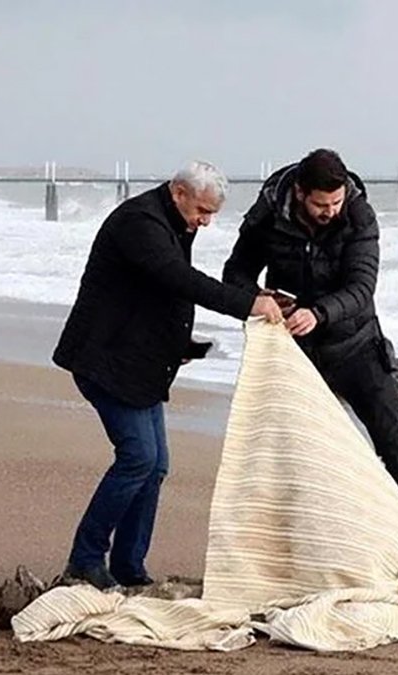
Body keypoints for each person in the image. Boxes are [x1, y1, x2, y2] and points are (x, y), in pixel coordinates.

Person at [52, 160, 283, 589]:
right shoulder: (140, 223)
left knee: (155, 465)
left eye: (212, 213)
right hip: (106, 359)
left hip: (140, 362)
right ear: (178, 192)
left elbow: (158, 296)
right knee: (138, 458)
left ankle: (128, 566)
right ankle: (85, 560)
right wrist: (247, 303)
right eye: (202, 210)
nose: (206, 221)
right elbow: (178, 280)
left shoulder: (177, 222)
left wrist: (183, 346)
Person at [222, 148, 398, 518]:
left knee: (396, 448)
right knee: (298, 455)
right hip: (293, 352)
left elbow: (362, 287)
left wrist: (319, 313)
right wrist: (258, 297)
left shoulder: (359, 215)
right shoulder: (267, 213)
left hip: (357, 344)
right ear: (300, 193)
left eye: (336, 201)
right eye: (321, 204)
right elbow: (235, 273)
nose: (330, 211)